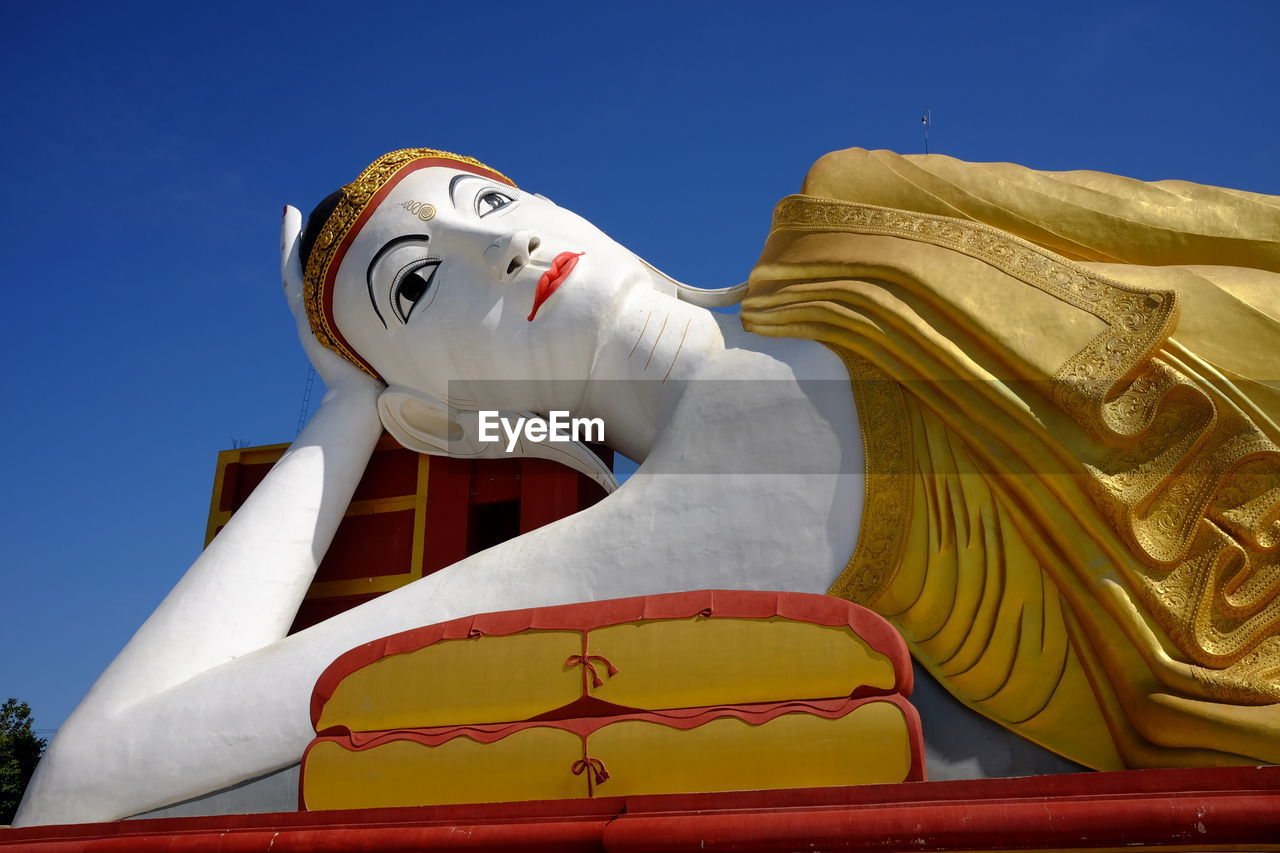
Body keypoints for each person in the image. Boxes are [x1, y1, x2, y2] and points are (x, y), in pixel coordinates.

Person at [14, 148, 1279, 826]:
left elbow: (1211, 230)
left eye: (485, 199)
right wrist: (346, 419)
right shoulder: (678, 516)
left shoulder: (854, 215)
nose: (497, 243)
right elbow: (87, 781)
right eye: (418, 287)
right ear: (428, 402)